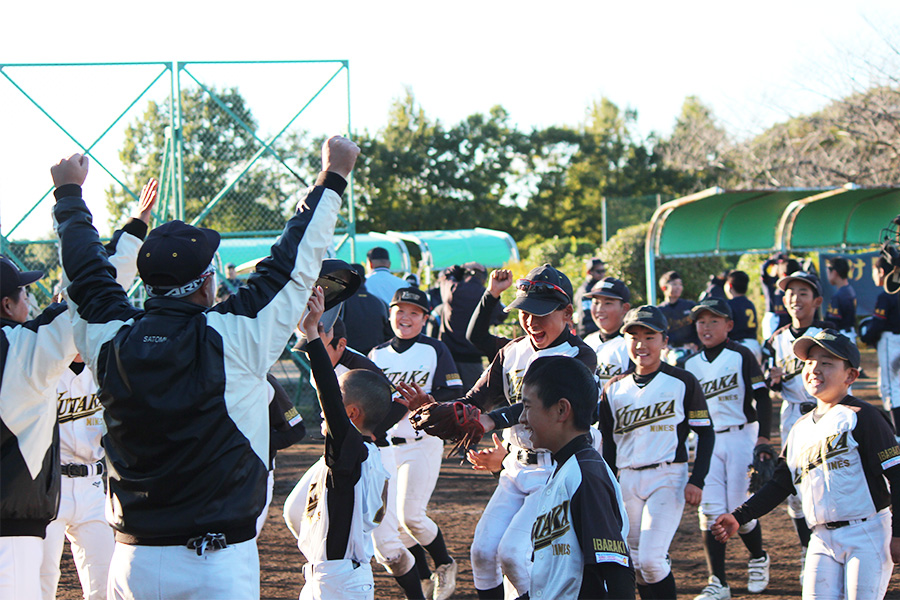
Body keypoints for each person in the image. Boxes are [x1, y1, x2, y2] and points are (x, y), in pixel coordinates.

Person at [52, 136, 358, 598]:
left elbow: (85, 273)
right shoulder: (234, 336)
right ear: (206, 284)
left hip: (133, 561)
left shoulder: (110, 337)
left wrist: (69, 196)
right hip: (214, 564)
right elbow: (291, 264)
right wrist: (332, 177)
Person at [2, 182, 152, 600]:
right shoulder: (29, 355)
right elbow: (95, 294)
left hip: (87, 485)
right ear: (6, 305)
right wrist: (75, 199)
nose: (29, 302)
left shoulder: (48, 353)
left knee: (101, 587)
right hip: (30, 501)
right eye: (22, 293)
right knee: (39, 585)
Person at [713, 330, 900, 600]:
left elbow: (897, 475)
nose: (815, 369)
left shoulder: (863, 417)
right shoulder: (799, 429)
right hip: (821, 539)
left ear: (850, 376)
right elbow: (780, 484)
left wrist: (898, 534)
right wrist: (739, 516)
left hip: (867, 532)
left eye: (827, 363)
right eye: (810, 362)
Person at [463, 264, 597, 599]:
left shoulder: (578, 355)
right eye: (525, 312)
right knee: (482, 553)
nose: (531, 321)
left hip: (556, 470)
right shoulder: (512, 351)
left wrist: (491, 420)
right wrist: (440, 409)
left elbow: (543, 407)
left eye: (541, 314)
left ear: (567, 313)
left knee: (513, 554)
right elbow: (475, 399)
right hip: (515, 468)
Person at [597, 305, 715, 599]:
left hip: (667, 476)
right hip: (627, 479)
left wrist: (697, 480)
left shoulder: (682, 381)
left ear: (665, 341)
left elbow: (705, 432)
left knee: (650, 559)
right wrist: (609, 484)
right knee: (637, 563)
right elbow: (608, 443)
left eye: (649, 337)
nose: (641, 344)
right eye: (634, 336)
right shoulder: (613, 388)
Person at [282, 287, 391, 600]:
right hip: (338, 576)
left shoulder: (351, 452)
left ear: (352, 414)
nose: (326, 406)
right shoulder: (364, 455)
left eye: (337, 400)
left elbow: (327, 393)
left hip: (339, 582)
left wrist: (312, 335)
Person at [368, 287, 464, 600]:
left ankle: (445, 563)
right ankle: (423, 578)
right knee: (396, 524)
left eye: (414, 312)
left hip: (422, 441)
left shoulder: (434, 349)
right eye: (400, 310)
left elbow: (454, 392)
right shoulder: (376, 354)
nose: (406, 318)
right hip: (388, 446)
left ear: (424, 318)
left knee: (411, 516)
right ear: (390, 314)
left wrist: (425, 400)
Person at [519, 356, 635, 599]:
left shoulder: (586, 474)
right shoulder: (564, 470)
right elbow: (552, 582)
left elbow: (616, 573)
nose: (522, 418)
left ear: (561, 410)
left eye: (528, 407)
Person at [683, 298, 772, 599]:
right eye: (701, 321)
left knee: (739, 510)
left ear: (729, 325)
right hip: (707, 440)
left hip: (741, 435)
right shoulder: (689, 365)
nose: (706, 327)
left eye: (714, 321)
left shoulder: (741, 354)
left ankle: (758, 557)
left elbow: (763, 397)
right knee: (710, 511)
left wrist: (764, 438)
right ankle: (718, 582)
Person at [762, 270, 832, 572]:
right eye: (790, 293)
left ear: (817, 300)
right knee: (794, 491)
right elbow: (770, 384)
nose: (795, 298)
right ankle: (808, 550)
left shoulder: (829, 334)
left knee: (827, 483)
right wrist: (773, 380)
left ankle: (829, 547)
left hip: (826, 412)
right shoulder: (776, 340)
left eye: (803, 292)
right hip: (792, 415)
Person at [438, 262, 505, 390]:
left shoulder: (453, 288)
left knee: (448, 396)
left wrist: (459, 269)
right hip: (472, 356)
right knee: (474, 397)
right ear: (484, 279)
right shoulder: (485, 294)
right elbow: (500, 316)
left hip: (449, 355)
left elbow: (445, 276)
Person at [861, 257, 900, 433]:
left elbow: (877, 325)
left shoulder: (887, 295)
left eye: (874, 271)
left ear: (882, 272)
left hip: (892, 341)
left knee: (891, 387)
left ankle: (897, 433)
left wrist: (866, 337)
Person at [582, 277, 633, 386]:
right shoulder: (588, 342)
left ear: (625, 308)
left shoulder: (630, 344)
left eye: (608, 303)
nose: (600, 309)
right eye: (596, 303)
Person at [341, 263, 392, 356]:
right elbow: (389, 334)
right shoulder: (380, 303)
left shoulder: (340, 303)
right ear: (364, 280)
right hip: (374, 357)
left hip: (348, 357)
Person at [657, 270, 699, 359]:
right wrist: (663, 347)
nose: (678, 287)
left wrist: (695, 344)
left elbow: (698, 327)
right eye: (674, 284)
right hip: (668, 351)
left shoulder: (690, 306)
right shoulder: (659, 311)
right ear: (664, 288)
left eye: (680, 284)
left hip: (688, 349)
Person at [724, 270, 761, 363]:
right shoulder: (749, 303)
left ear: (730, 286)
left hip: (739, 346)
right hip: (754, 344)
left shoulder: (729, 305)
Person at [825, 257, 858, 342]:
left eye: (828, 272)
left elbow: (833, 323)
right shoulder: (849, 289)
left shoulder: (840, 295)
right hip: (849, 334)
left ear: (834, 272)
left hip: (841, 336)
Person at [573, 257, 606, 337]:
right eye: (599, 271)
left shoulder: (598, 287)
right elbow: (586, 317)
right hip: (588, 334)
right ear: (589, 272)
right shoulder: (585, 291)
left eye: (603, 271)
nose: (602, 274)